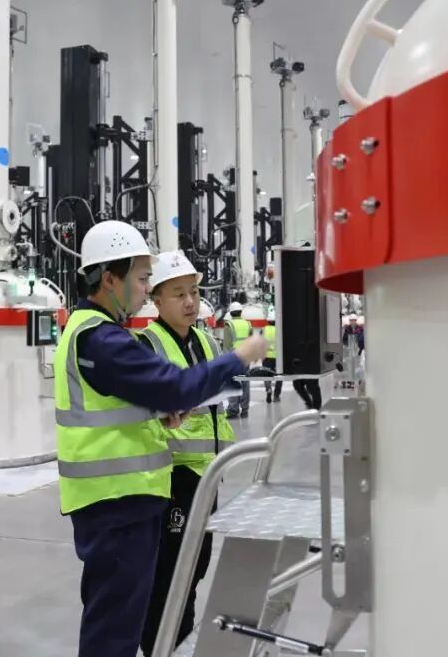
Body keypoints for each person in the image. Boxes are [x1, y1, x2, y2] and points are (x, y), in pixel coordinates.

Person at [55, 221, 268, 657]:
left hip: (123, 501)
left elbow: (126, 402)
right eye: (141, 279)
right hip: (117, 502)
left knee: (120, 615)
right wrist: (238, 357)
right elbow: (174, 386)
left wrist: (156, 411)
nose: (145, 290)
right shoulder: (101, 338)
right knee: (115, 629)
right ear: (109, 279)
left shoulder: (97, 332)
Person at [136, 251, 237, 656]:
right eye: (178, 294)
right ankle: (158, 647)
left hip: (208, 474)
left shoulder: (205, 341)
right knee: (168, 573)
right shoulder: (147, 345)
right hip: (172, 477)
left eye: (194, 292)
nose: (190, 301)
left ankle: (179, 645)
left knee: (195, 567)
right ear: (156, 300)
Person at [222, 301, 253, 418]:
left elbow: (227, 346)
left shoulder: (229, 325)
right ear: (241, 312)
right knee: (245, 382)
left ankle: (233, 409)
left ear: (230, 313)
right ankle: (245, 410)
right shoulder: (247, 324)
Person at [262, 306, 281, 403]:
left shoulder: (264, 330)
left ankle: (268, 390)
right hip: (278, 357)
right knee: (279, 376)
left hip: (266, 356)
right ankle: (276, 395)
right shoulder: (279, 330)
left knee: (266, 375)